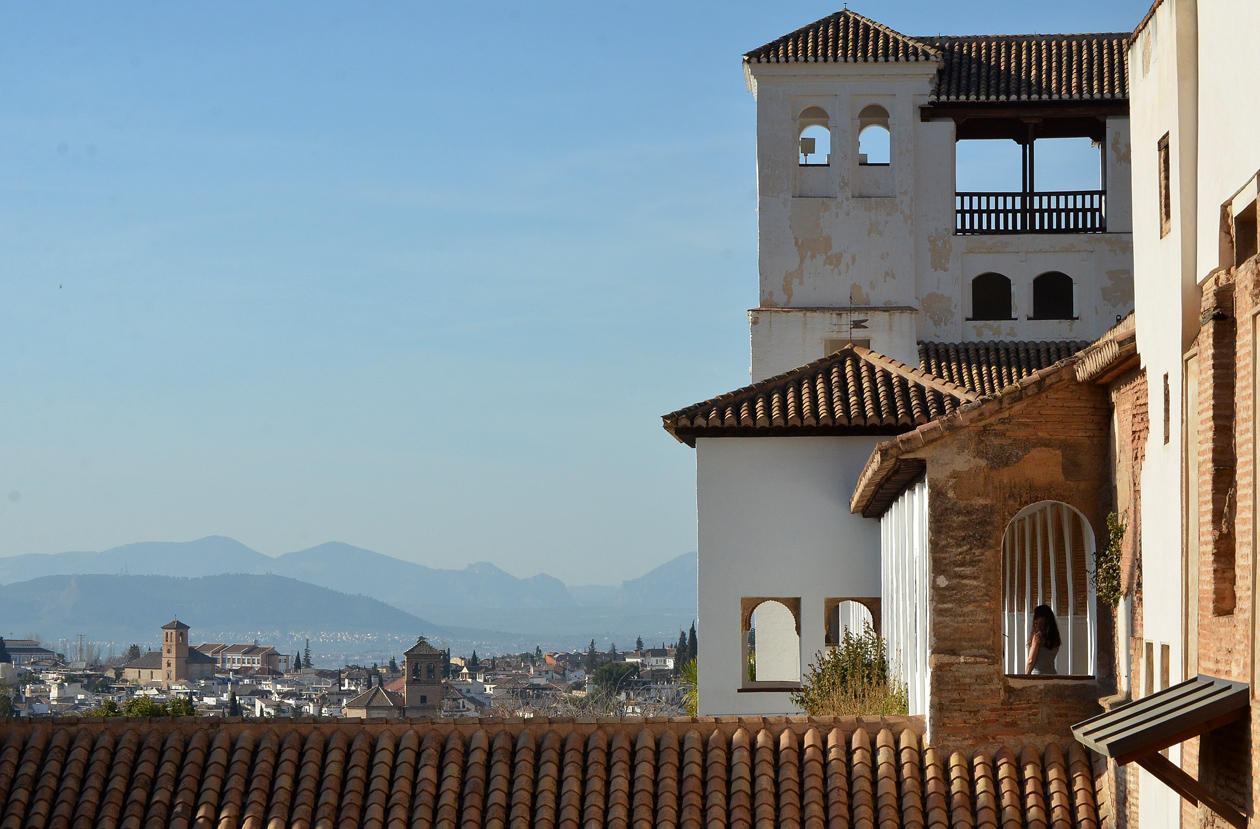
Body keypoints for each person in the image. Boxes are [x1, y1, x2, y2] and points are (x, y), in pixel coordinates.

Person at [1025, 604, 1062, 675]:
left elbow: (1031, 660)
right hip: (1052, 675)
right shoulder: (1055, 638)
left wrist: (1026, 677)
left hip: (1038, 676)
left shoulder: (1037, 637)